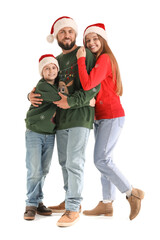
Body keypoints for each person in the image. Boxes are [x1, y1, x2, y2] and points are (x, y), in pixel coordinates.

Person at [28, 16, 100, 227]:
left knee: (75, 162)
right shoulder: (56, 61)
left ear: (75, 34)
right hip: (60, 121)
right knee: (64, 163)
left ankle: (72, 207)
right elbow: (44, 84)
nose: (67, 35)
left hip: (80, 118)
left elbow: (93, 86)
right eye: (62, 32)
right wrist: (29, 95)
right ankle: (71, 200)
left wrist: (72, 102)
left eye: (70, 31)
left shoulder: (84, 54)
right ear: (57, 36)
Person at [75, 23, 144, 220]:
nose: (91, 43)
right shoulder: (98, 61)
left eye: (95, 39)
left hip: (111, 115)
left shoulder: (105, 58)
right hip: (102, 116)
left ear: (103, 40)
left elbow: (88, 83)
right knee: (106, 161)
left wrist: (80, 60)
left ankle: (132, 193)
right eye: (88, 41)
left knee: (101, 160)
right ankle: (106, 204)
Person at [24, 54, 62, 220]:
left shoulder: (57, 84)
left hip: (50, 133)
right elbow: (60, 99)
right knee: (34, 169)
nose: (51, 70)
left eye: (54, 67)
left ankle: (38, 201)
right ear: (42, 72)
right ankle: (31, 204)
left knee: (43, 170)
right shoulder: (43, 87)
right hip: (35, 132)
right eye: (47, 68)